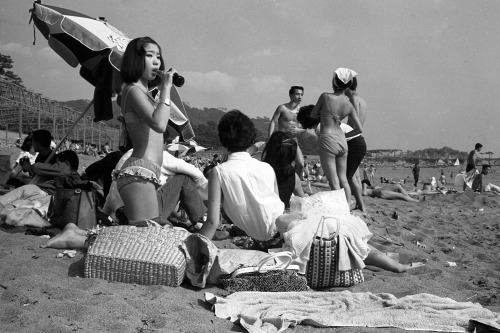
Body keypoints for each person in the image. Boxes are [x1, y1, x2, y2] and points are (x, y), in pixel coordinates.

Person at [198, 110, 285, 249]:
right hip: (284, 234)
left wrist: (194, 249)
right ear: (251, 138)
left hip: (260, 238)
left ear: (223, 139)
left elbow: (212, 222)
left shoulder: (219, 172)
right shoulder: (267, 167)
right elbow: (277, 207)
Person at [113, 36, 177, 224]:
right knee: (147, 237)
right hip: (139, 171)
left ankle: (78, 235)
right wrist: (166, 88)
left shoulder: (146, 94)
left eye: (158, 56)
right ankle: (77, 236)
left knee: (146, 238)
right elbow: (159, 124)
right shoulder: (132, 90)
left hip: (147, 172)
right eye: (150, 55)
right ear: (135, 60)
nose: (156, 61)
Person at [103, 149, 208, 227]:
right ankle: (201, 222)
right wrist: (193, 191)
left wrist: (105, 213)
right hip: (146, 213)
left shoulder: (126, 157)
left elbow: (111, 194)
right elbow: (197, 174)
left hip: (120, 214)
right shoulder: (156, 153)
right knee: (184, 178)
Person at [310, 68, 362, 205]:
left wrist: (323, 113)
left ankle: (340, 210)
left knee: (334, 181)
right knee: (343, 178)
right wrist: (345, 137)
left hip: (328, 138)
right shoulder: (349, 104)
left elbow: (313, 114)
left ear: (334, 82)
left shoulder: (325, 97)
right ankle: (347, 206)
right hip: (341, 140)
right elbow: (359, 129)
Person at [262, 131, 310, 210]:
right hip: (282, 215)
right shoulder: (293, 176)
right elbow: (302, 199)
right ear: (292, 154)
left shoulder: (262, 170)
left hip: (262, 214)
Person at [268, 86, 306, 179]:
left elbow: (306, 127)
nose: (300, 97)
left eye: (301, 94)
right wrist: (270, 138)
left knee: (301, 164)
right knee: (280, 165)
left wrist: (299, 130)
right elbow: (273, 121)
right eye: (297, 94)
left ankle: (296, 185)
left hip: (294, 140)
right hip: (282, 140)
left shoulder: (302, 111)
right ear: (291, 95)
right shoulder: (282, 108)